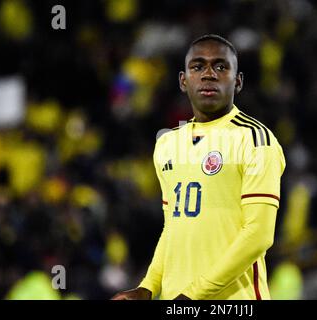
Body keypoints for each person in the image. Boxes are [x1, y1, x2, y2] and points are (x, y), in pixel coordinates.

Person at [112, 34, 285, 300]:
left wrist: (194, 294)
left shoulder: (255, 140)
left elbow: (259, 235)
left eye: (220, 66)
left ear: (237, 81)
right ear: (183, 80)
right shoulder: (168, 144)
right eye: (198, 66)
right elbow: (173, 227)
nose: (208, 74)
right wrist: (148, 287)